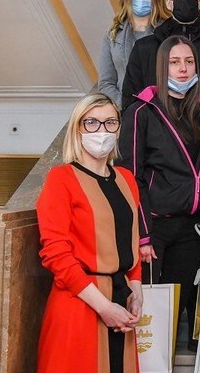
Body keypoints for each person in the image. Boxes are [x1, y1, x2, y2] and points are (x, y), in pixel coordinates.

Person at [117, 35, 200, 345]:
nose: (183, 69)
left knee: (176, 310)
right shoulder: (140, 112)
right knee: (149, 317)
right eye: (174, 62)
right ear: (162, 67)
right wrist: (143, 235)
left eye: (189, 62)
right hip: (155, 229)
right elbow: (130, 177)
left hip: (191, 228)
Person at [37, 93, 141, 372]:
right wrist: (104, 307)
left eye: (110, 122)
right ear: (78, 128)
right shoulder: (61, 178)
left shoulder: (127, 179)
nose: (102, 130)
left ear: (118, 128)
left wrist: (136, 289)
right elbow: (55, 253)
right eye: (92, 122)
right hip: (80, 302)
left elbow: (131, 240)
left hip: (121, 300)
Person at [98, 0, 169, 107]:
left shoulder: (167, 33)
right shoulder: (112, 34)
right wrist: (126, 106)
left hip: (160, 109)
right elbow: (106, 83)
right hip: (123, 108)